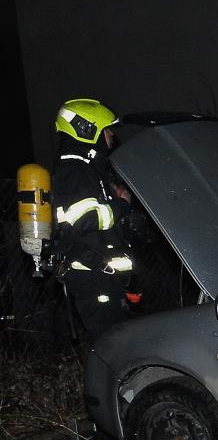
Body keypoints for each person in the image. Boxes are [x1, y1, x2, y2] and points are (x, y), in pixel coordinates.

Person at [51, 98, 135, 339]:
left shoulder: (89, 169)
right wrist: (121, 204)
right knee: (111, 345)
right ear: (88, 130)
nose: (111, 135)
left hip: (103, 276)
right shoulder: (76, 170)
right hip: (92, 275)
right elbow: (85, 219)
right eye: (106, 129)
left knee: (119, 344)